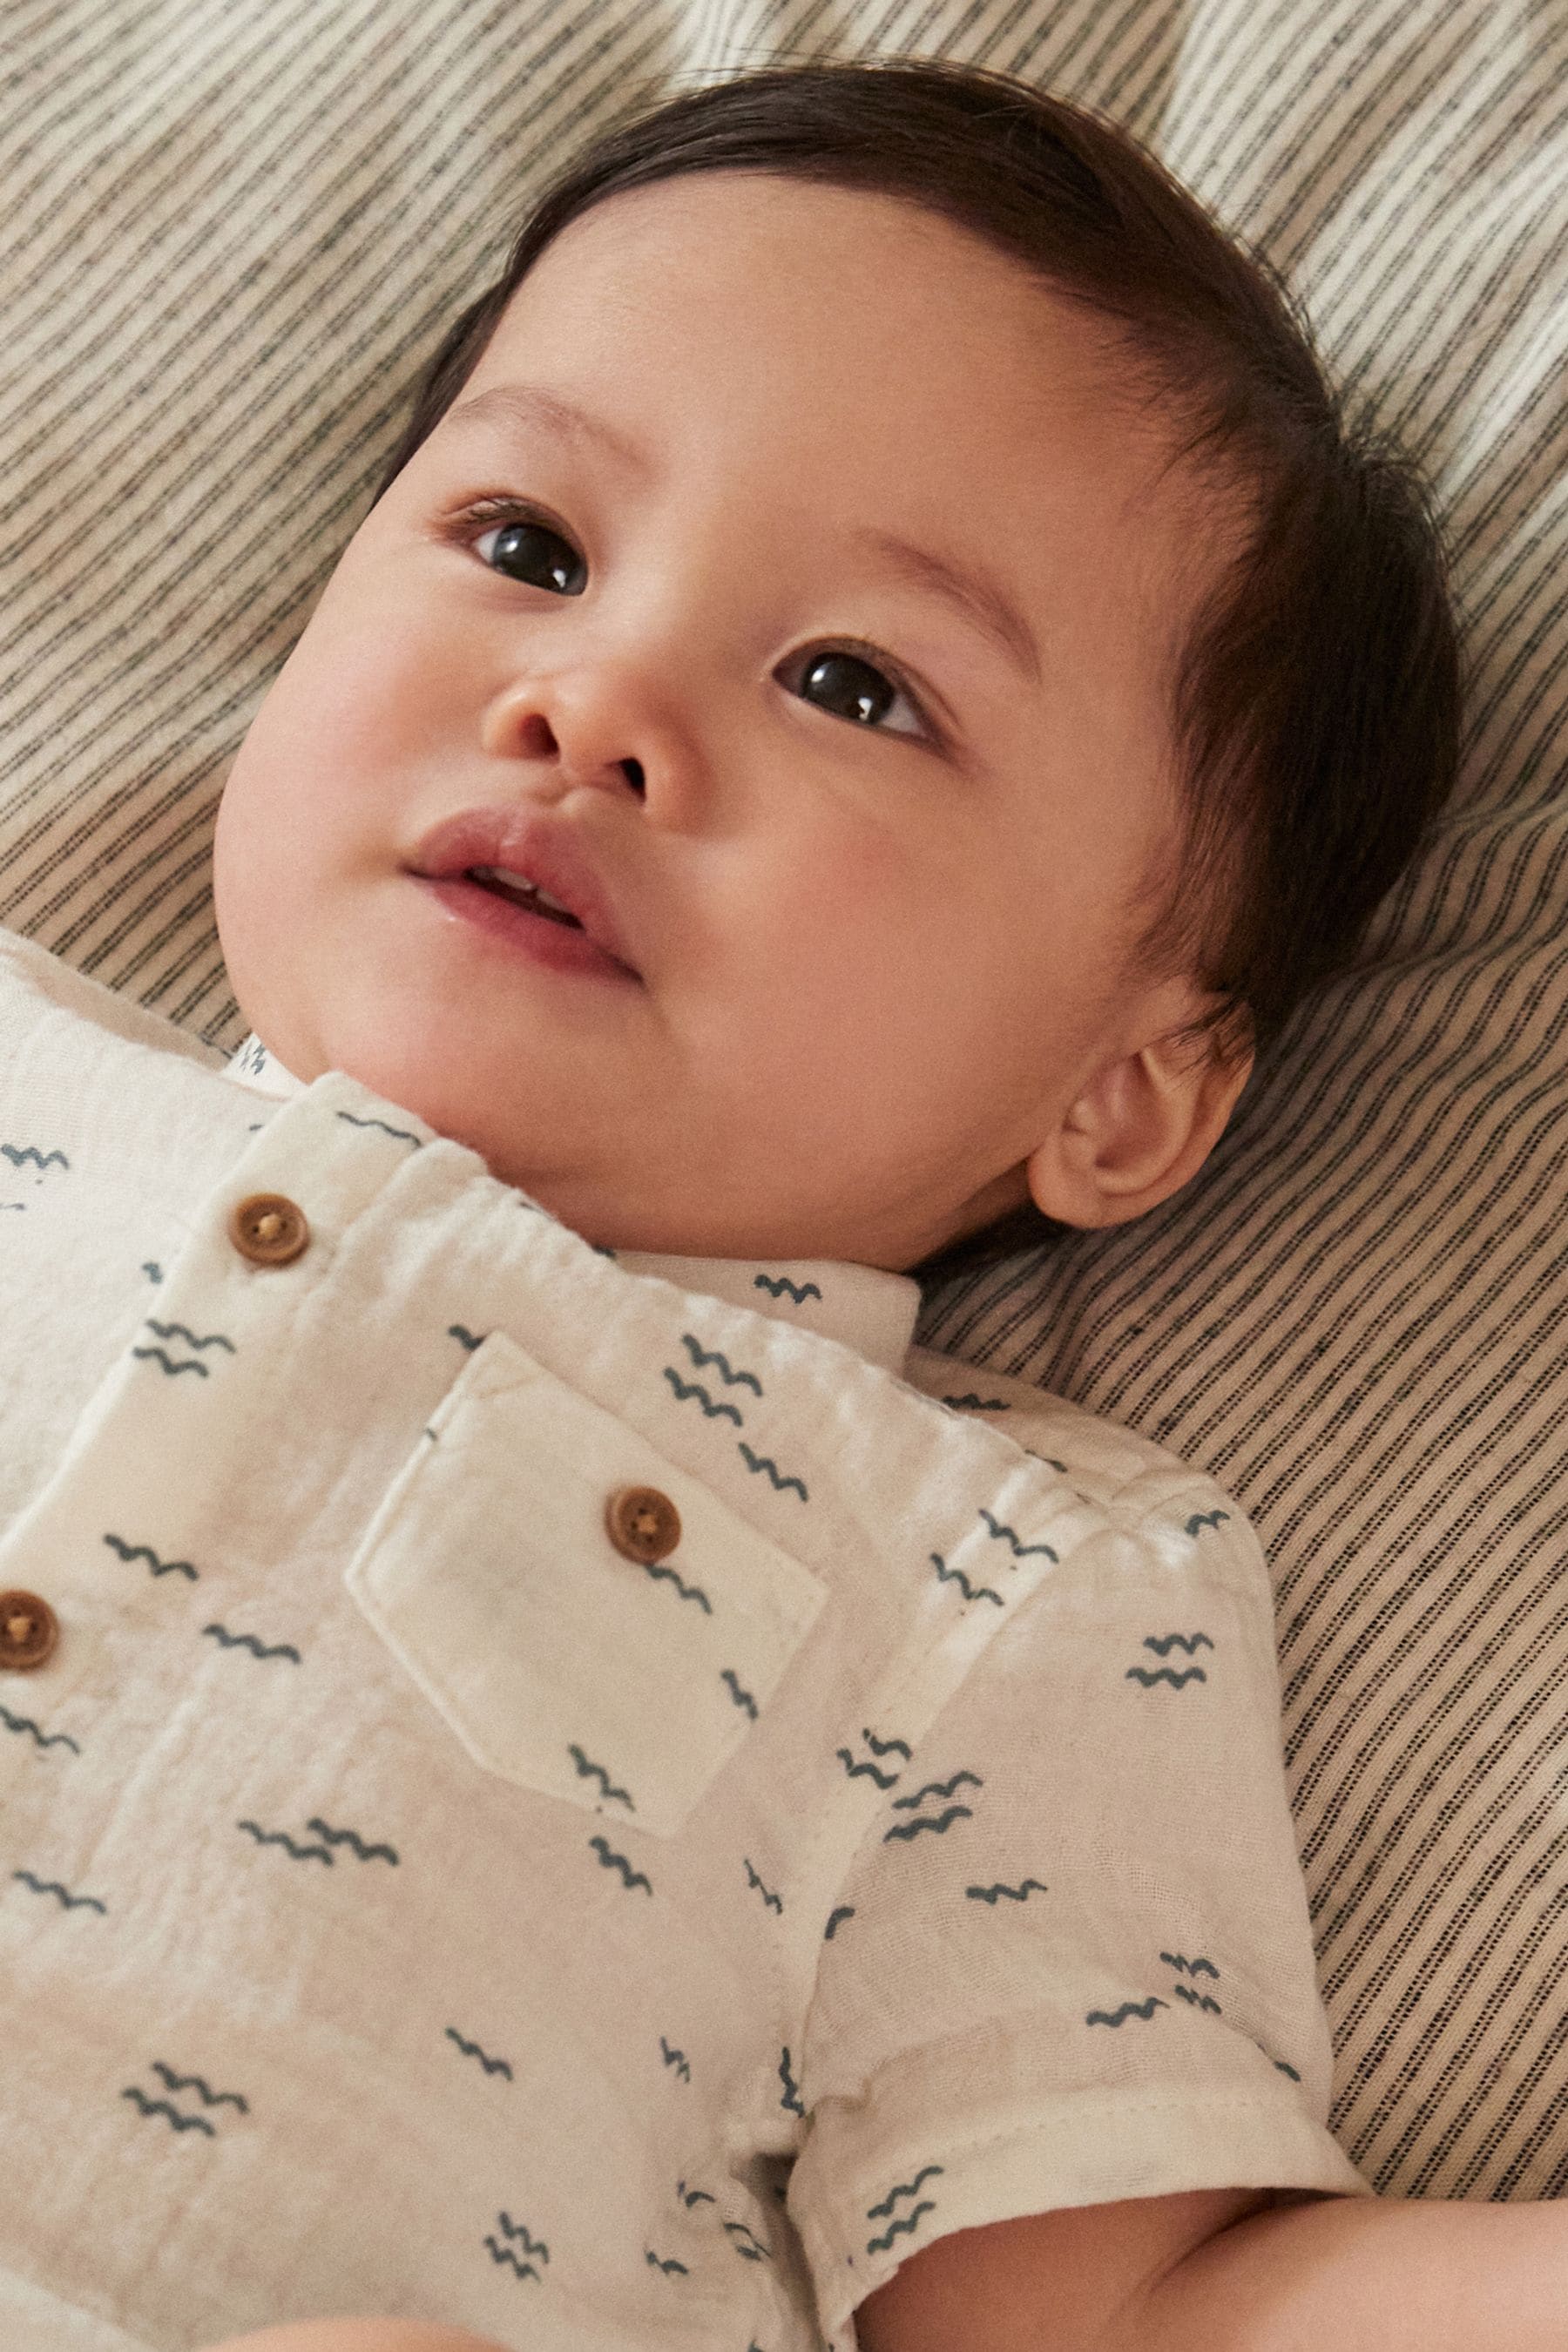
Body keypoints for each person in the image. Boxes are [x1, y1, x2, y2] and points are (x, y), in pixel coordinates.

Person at [0, 51, 1501, 2352]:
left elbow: (1113, 2306)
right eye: (527, 548)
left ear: (1123, 1089)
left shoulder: (1004, 1572)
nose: (591, 703)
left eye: (852, 685)